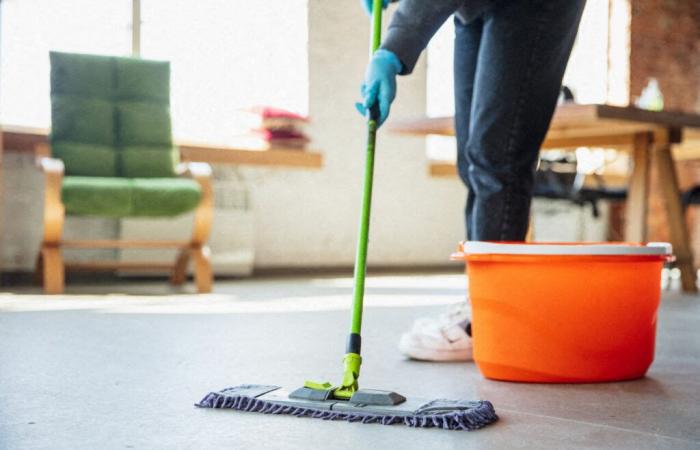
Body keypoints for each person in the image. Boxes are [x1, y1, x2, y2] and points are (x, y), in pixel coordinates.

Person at [357, 0, 586, 361]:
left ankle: (494, 314)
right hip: (474, 8)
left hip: (534, 8)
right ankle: (480, 297)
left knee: (498, 155)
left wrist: (393, 50)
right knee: (471, 155)